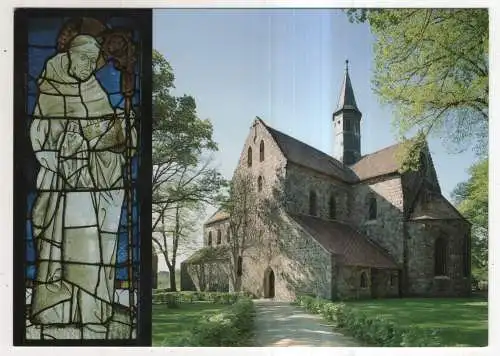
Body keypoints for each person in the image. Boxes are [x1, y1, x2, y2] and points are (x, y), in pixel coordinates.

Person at [29, 34, 136, 339]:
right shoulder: (49, 87)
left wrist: (121, 127)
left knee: (90, 250)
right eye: (85, 60)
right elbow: (39, 132)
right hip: (59, 185)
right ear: (71, 55)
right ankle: (56, 314)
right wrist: (57, 151)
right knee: (57, 252)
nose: (90, 67)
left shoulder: (94, 90)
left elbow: (108, 130)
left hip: (90, 183)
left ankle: (90, 312)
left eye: (94, 62)